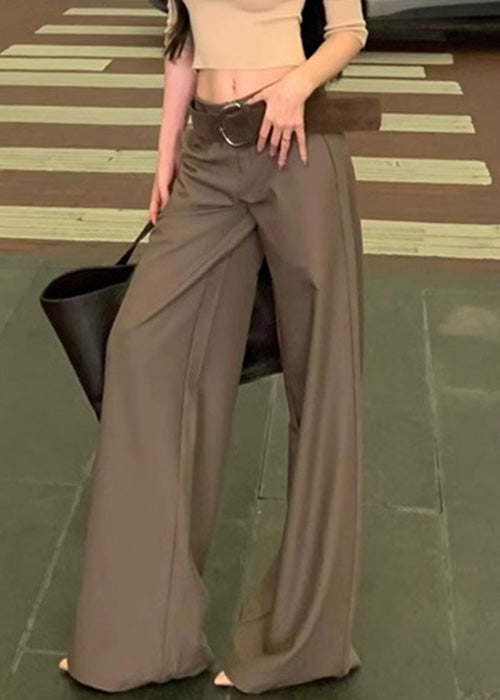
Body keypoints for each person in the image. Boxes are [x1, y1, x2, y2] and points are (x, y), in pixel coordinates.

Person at [58, 0, 368, 693]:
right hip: (209, 153)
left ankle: (304, 644)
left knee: (323, 382)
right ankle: (139, 636)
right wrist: (166, 151)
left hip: (295, 144)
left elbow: (350, 30)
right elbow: (183, 39)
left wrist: (296, 85)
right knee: (139, 347)